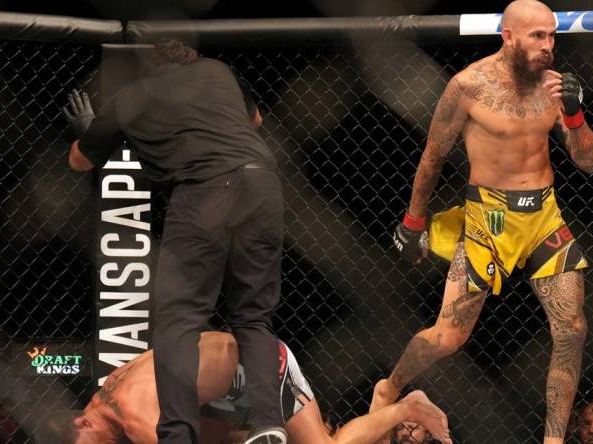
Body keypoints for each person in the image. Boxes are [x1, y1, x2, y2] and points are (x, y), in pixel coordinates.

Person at [373, 1, 593, 443]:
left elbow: (587, 161)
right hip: (488, 217)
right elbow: (434, 155)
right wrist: (413, 221)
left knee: (572, 327)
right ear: (508, 36)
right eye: (538, 36)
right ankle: (391, 386)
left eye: (552, 36)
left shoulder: (556, 88)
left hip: (543, 216)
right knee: (448, 336)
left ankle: (552, 440)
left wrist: (574, 113)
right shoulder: (469, 86)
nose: (548, 46)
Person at [64, 38, 286, 443]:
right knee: (253, 316)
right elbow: (254, 122)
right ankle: (269, 426)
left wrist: (89, 132)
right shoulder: (218, 71)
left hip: (204, 193)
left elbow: (80, 161)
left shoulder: (132, 95)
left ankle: (178, 434)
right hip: (262, 184)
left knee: (178, 322)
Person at [68, 331, 452, 444]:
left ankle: (409, 408)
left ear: (81, 424)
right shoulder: (113, 389)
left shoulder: (136, 415)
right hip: (225, 395)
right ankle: (384, 411)